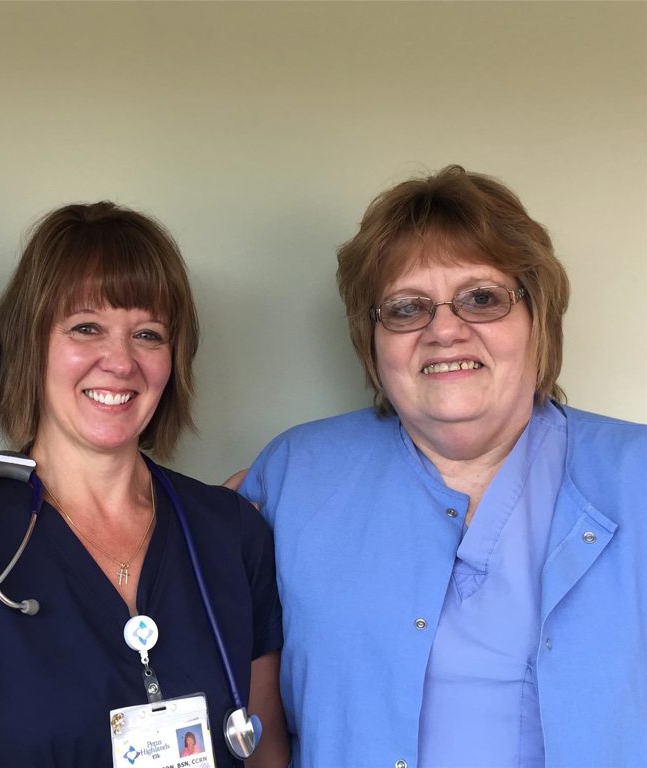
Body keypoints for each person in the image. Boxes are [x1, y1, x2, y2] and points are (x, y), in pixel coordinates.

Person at [233, 165, 647, 767]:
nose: (445, 331)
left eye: (482, 298)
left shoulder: (636, 477)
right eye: (406, 308)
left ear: (539, 320)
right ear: (371, 340)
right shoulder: (295, 476)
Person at [0, 202, 289, 767]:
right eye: (86, 328)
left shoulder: (231, 534)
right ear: (30, 345)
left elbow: (265, 751)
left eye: (148, 334)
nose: (120, 361)